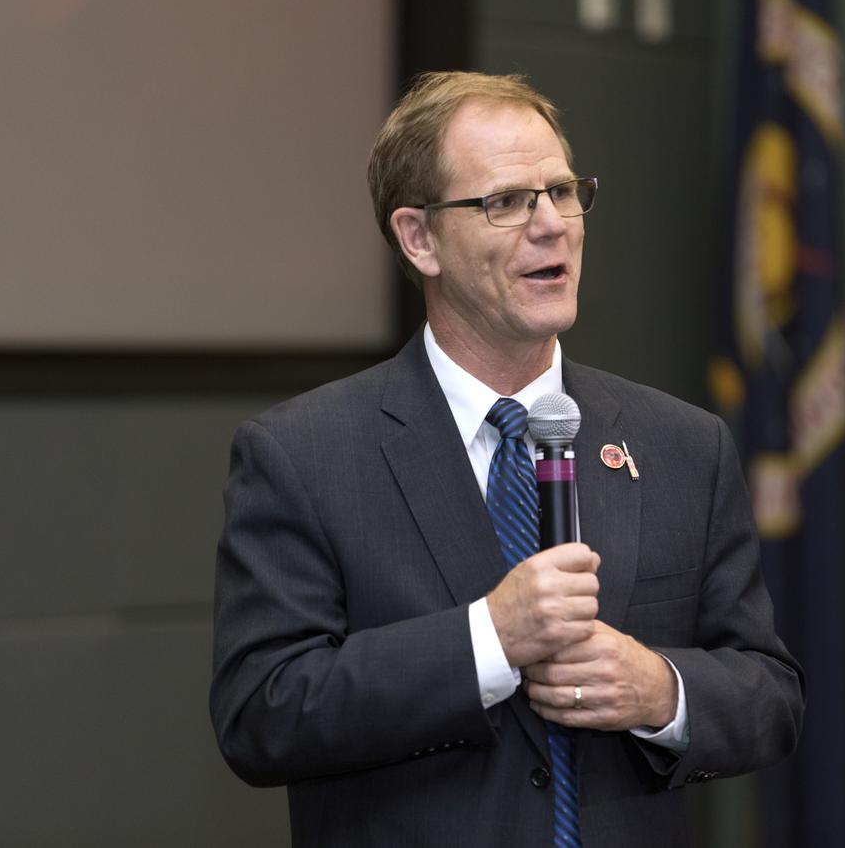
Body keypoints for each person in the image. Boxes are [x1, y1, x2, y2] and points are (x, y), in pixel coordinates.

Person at [210, 71, 803, 847]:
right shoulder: (303, 455)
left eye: (562, 191)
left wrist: (662, 689)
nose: (552, 224)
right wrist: (488, 638)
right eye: (507, 201)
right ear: (419, 238)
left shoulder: (683, 445)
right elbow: (262, 713)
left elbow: (771, 695)